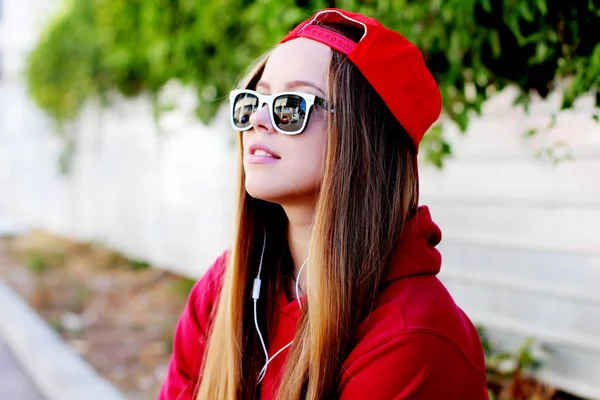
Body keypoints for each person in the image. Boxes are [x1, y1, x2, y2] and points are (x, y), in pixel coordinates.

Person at [160, 8, 488, 400]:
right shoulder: (223, 289)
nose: (259, 121)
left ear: (365, 139)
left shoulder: (412, 338)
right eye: (253, 101)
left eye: (293, 105)